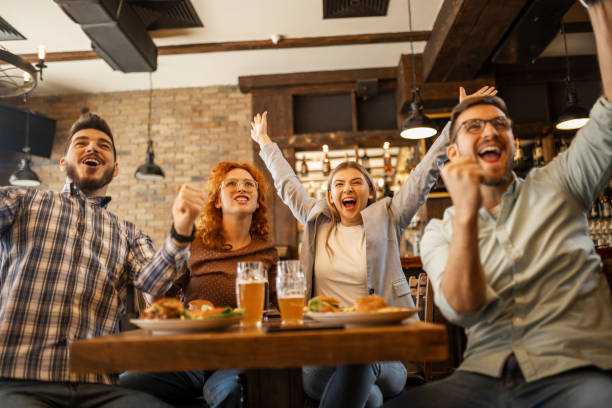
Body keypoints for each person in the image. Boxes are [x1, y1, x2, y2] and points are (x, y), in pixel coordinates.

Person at [385, 2, 612, 407]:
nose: (490, 130)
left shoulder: (561, 182)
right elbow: (463, 309)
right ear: (453, 153)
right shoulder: (441, 231)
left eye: (500, 125)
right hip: (482, 378)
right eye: (474, 126)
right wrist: (468, 215)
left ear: (509, 142)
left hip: (577, 371)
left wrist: (599, 10)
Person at [248, 86, 495, 408]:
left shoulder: (389, 217)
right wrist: (265, 143)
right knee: (371, 397)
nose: (346, 189)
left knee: (362, 360)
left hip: (384, 353)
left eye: (355, 183)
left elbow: (424, 174)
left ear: (370, 192)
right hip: (322, 353)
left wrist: (457, 122)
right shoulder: (315, 221)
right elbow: (286, 183)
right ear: (330, 195)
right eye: (338, 184)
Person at [0, 113, 205, 407]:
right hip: (17, 381)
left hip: (97, 387)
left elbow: (154, 282)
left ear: (115, 168)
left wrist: (181, 232)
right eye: (81, 143)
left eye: (103, 145)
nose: (92, 148)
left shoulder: (128, 233)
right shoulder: (23, 201)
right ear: (63, 162)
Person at [121, 162, 278, 407]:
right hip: (186, 357)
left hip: (237, 357)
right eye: (232, 183)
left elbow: (278, 308)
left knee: (232, 393)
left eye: (249, 184)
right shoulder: (194, 244)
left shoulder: (266, 249)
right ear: (217, 200)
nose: (242, 187)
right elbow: (157, 299)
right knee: (121, 385)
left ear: (258, 201)